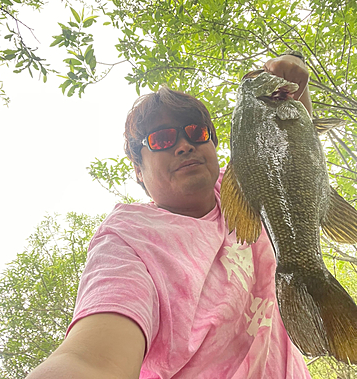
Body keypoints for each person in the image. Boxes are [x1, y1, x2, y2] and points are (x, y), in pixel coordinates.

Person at [26, 54, 312, 379]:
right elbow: (92, 360)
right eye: (162, 139)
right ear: (138, 171)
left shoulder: (244, 187)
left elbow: (292, 153)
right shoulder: (128, 240)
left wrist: (291, 81)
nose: (184, 145)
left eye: (196, 132)